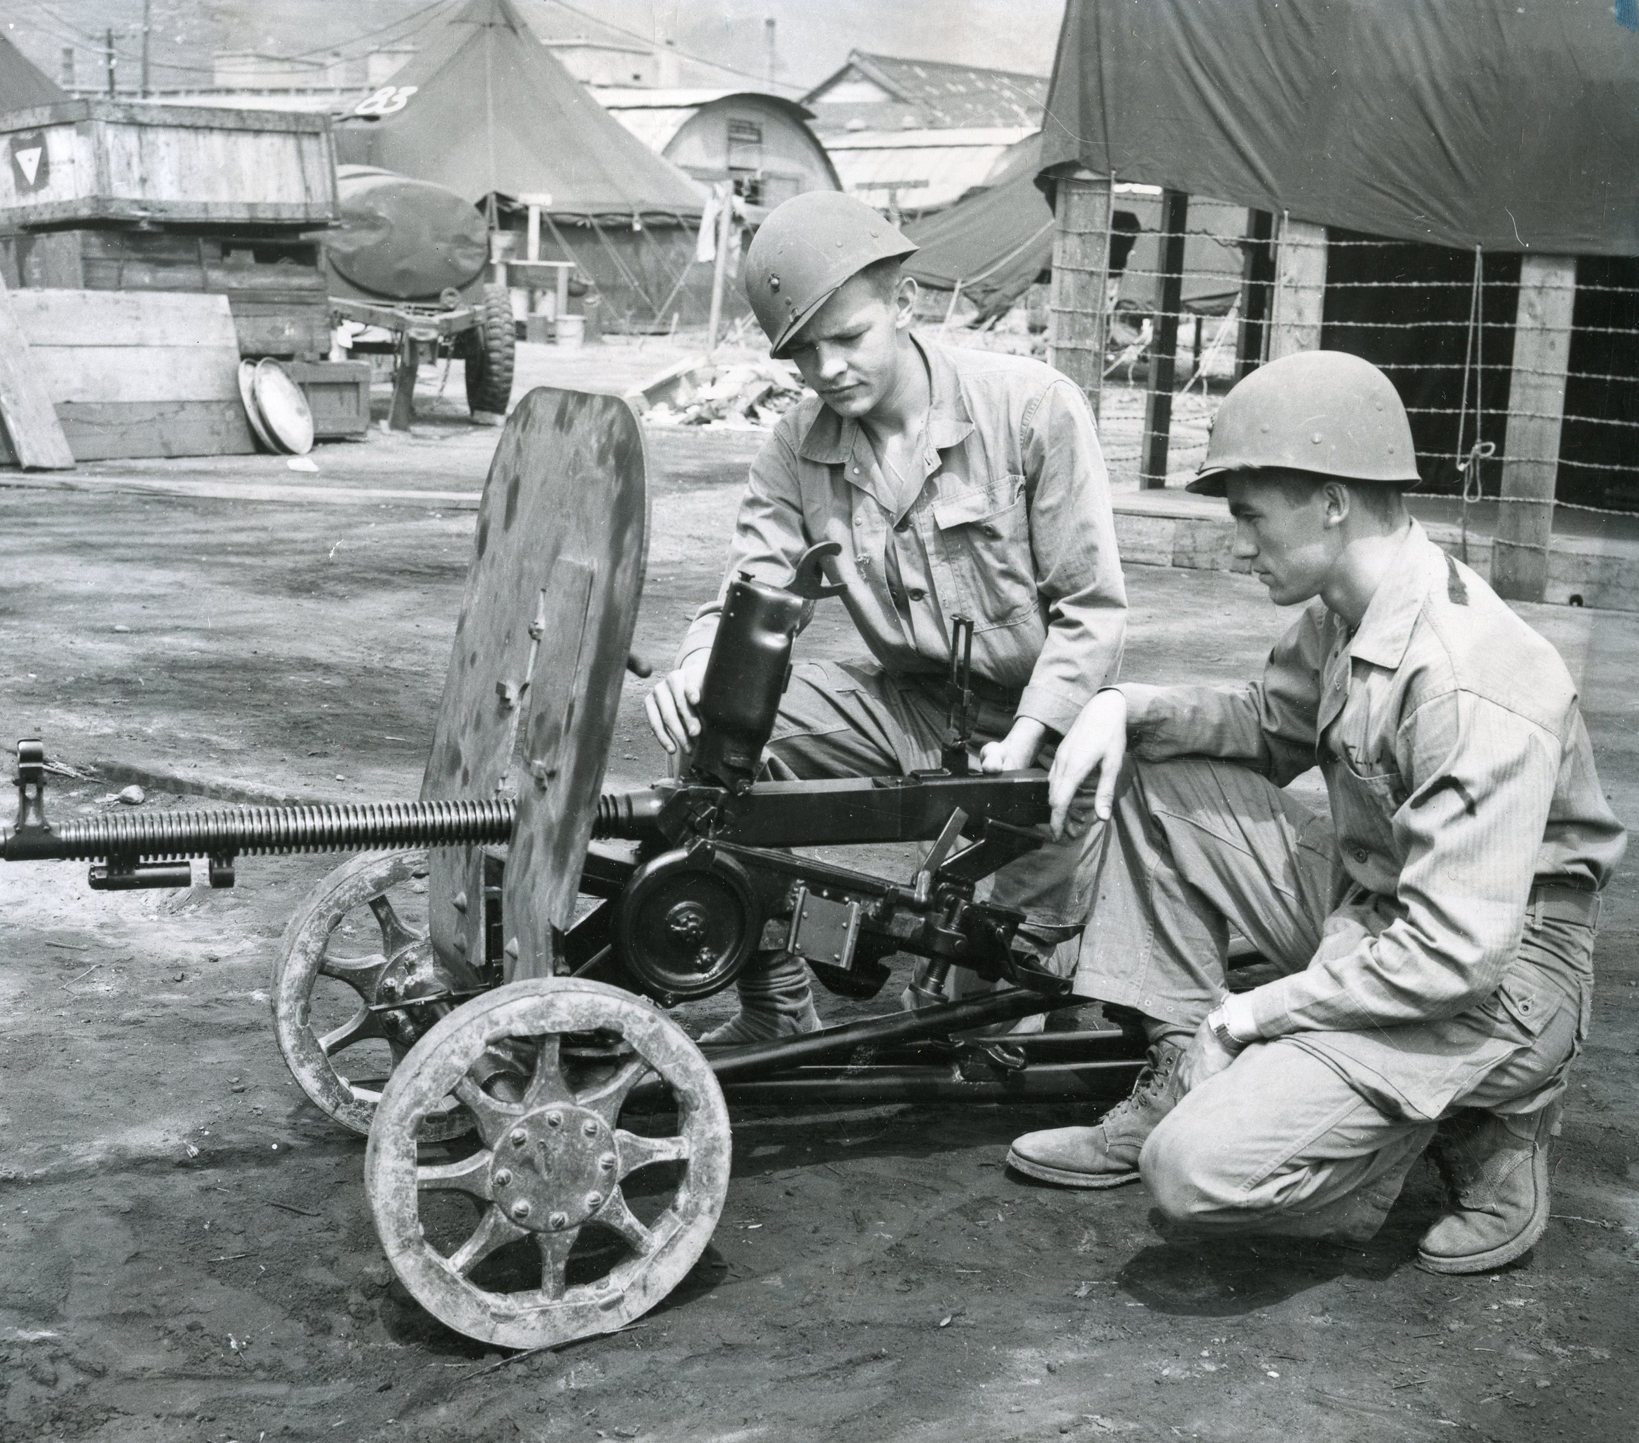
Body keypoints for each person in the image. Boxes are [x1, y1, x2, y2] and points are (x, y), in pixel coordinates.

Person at [1006, 349, 1625, 1272]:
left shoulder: (1469, 673)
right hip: (1375, 910)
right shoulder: (1348, 606)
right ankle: (1187, 1064)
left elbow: (1453, 955)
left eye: (1251, 516)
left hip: (1495, 979)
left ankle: (1491, 1115)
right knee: (1149, 767)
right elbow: (1267, 725)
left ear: (1333, 500)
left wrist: (1252, 1018)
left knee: (1194, 1174)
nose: (1238, 544)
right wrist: (1122, 706)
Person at [644, 191, 1128, 1044]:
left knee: (986, 1011)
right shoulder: (798, 445)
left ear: (904, 305)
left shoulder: (1031, 409)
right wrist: (698, 671)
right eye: (803, 353)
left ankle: (1034, 956)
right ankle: (775, 999)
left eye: (849, 337)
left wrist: (1030, 732)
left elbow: (1090, 610)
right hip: (906, 704)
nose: (828, 369)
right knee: (720, 725)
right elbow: (749, 591)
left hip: (1043, 727)